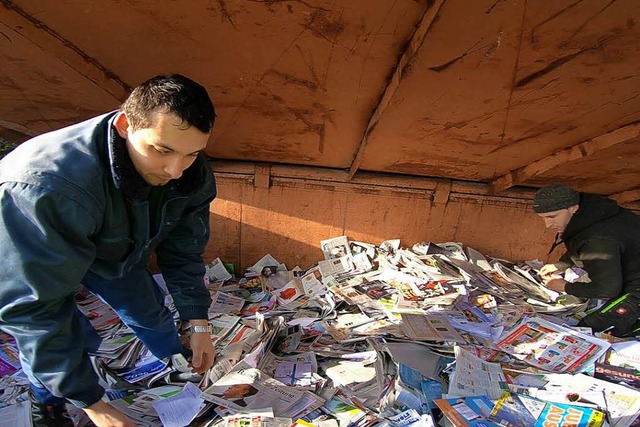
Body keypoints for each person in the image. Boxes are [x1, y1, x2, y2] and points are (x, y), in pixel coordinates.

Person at [0, 74, 218, 427]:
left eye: (191, 153)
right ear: (123, 125)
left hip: (117, 249)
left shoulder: (187, 170)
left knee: (149, 309)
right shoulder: (43, 187)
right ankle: (48, 403)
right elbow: (34, 310)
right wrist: (95, 406)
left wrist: (197, 322)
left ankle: (175, 364)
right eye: (162, 151)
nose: (175, 170)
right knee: (57, 331)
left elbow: (184, 248)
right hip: (38, 245)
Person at [533, 183, 640, 337]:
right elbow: (583, 242)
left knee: (591, 330)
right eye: (543, 218)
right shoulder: (594, 212)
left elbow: (607, 288)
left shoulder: (597, 238)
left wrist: (565, 287)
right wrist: (561, 265)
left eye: (552, 216)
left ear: (573, 208)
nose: (548, 224)